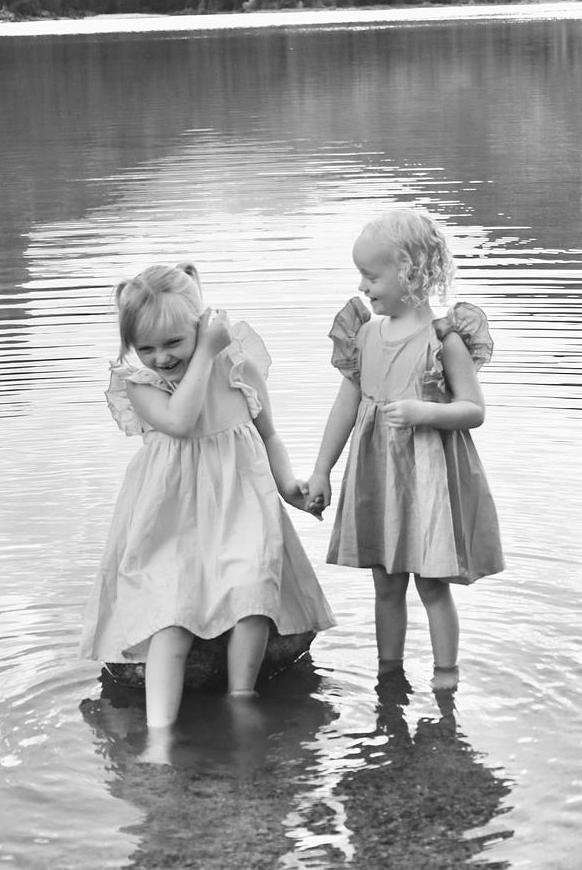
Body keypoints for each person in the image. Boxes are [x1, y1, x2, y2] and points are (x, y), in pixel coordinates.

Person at [80, 262, 334, 736]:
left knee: (253, 597)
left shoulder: (238, 368)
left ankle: (241, 699)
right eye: (146, 347)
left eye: (174, 342)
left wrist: (289, 488)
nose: (161, 357)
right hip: (171, 519)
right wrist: (201, 356)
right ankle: (160, 735)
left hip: (241, 507)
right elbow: (180, 420)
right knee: (171, 620)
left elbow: (269, 433)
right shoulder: (141, 383)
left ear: (200, 325)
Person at [306, 207, 502, 691]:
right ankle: (388, 671)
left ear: (409, 274)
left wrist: (425, 411)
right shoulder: (364, 336)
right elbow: (345, 407)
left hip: (427, 479)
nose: (362, 286)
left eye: (371, 276)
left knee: (432, 584)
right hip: (378, 476)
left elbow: (473, 409)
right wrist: (322, 470)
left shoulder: (443, 340)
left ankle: (445, 676)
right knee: (386, 583)